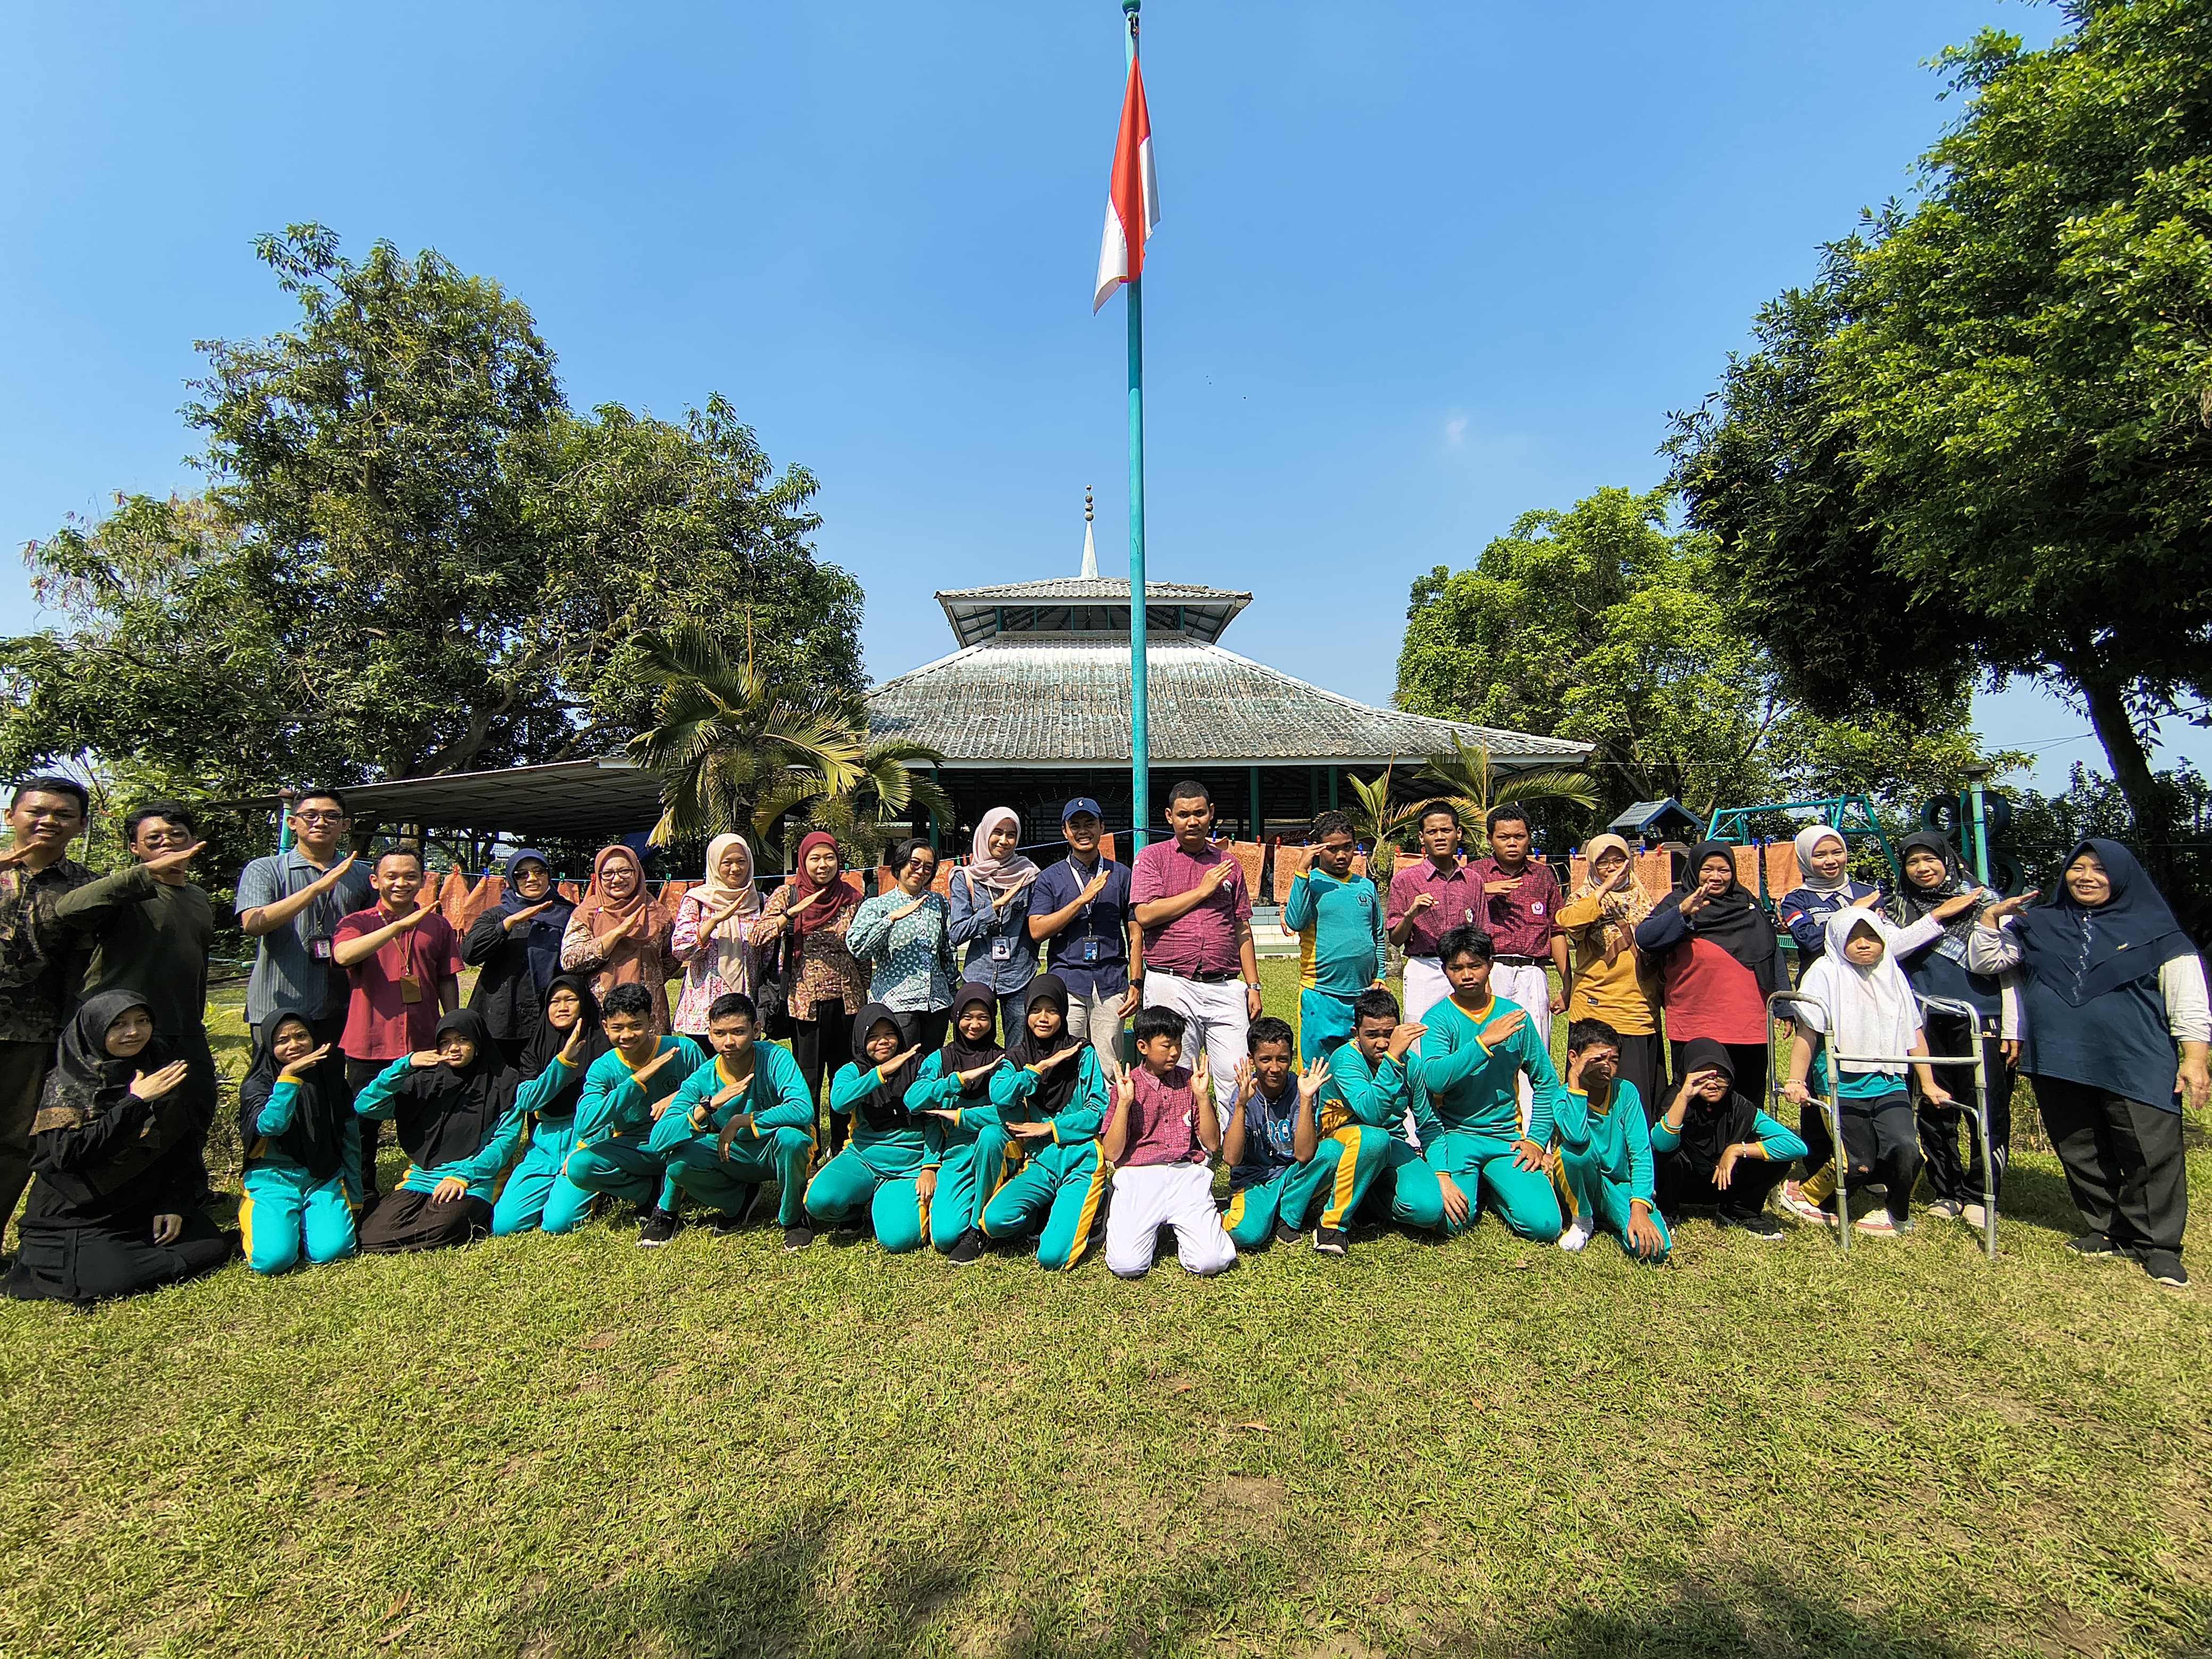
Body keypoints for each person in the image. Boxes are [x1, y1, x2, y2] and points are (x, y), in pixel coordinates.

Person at [1966, 840, 2209, 1288]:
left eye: (2099, 870)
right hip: (2059, 1057)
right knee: (2079, 1146)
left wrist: (2195, 1058)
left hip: (2136, 1059)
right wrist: (1989, 920)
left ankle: (2159, 1246)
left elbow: (2189, 1001)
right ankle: (2106, 1227)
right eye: (2077, 868)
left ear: (2121, 876)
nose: (2086, 877)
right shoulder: (2040, 924)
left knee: (2150, 1152)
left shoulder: (2159, 932)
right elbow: (1986, 962)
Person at [3, 990, 228, 1304]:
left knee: (212, 1244)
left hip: (138, 1206)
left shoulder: (160, 1070)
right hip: (78, 1214)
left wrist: (172, 1204)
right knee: (109, 1279)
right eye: (119, 1025)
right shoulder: (69, 1084)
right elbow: (69, 1156)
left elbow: (181, 1150)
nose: (133, 1032)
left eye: (142, 1021)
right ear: (95, 1029)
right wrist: (135, 1103)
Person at [1783, 911, 1946, 1236]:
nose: (1864, 945)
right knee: (1857, 1162)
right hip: (1841, 1082)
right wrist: (1796, 1081)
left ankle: (1897, 1215)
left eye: (1871, 937)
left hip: (1888, 1080)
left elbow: (1913, 1031)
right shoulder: (1825, 972)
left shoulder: (1892, 974)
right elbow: (1808, 1033)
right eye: (1854, 938)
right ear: (1839, 941)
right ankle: (1806, 1194)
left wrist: (1929, 1083)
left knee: (1908, 1151)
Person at [1884, 832, 2016, 1225]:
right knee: (1933, 1103)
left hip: (1983, 1020)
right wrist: (1937, 917)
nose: (1923, 869)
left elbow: (2011, 971)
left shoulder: (1990, 903)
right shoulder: (1898, 907)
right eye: (1913, 862)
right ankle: (1947, 1190)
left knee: (1987, 1106)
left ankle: (1981, 1192)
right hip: (1924, 1023)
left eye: (1930, 860)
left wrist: (2015, 1027)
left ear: (1948, 860)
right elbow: (1891, 949)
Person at [50, 800, 218, 1102]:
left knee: (190, 1119)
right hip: (124, 1032)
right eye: (153, 838)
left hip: (184, 1030)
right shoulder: (126, 892)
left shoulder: (199, 898)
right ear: (134, 848)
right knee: (125, 1129)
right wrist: (148, 872)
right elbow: (68, 908)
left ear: (194, 841)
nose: (167, 841)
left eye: (177, 834)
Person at [1406, 926, 1564, 1242]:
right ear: (1445, 970)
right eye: (1456, 968)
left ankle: (1497, 1187)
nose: (1467, 975)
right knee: (1452, 1224)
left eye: (1475, 965)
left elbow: (1547, 1083)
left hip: (1507, 1137)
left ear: (1490, 965)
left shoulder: (1515, 1017)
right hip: (1457, 1134)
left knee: (1545, 1226)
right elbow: (1435, 1079)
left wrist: (1536, 1140)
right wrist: (1483, 1042)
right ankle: (1480, 1183)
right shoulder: (1439, 1019)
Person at [334, 847, 462, 1203]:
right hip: (369, 1040)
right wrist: (398, 926)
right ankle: (362, 1192)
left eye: (410, 876)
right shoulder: (357, 922)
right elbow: (343, 955)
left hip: (422, 1040)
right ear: (376, 880)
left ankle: (423, 1187)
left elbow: (447, 978)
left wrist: (451, 1026)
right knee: (362, 1123)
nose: (401, 883)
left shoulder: (437, 925)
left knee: (429, 1117)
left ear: (422, 881)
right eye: (392, 876)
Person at [349, 1009, 534, 1254]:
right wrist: (405, 1065)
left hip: (474, 1180)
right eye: (445, 1042)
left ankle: (464, 1214)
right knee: (368, 1234)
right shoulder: (426, 1081)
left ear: (478, 1043)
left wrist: (463, 1176)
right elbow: (365, 1105)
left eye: (463, 1040)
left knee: (446, 1226)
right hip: (423, 1178)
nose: (453, 1048)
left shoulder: (505, 1083)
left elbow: (504, 1145)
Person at [0, 774, 96, 1243]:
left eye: (63, 815)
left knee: (14, 1142)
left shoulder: (85, 888)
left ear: (79, 826)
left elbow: (85, 966)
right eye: (37, 811)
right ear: (10, 815)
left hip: (33, 1034)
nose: (48, 821)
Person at [650, 992, 817, 1249]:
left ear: (757, 1030)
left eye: (738, 1032)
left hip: (772, 1149)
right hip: (732, 1153)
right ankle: (738, 1200)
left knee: (793, 1138)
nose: (729, 1042)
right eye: (720, 1033)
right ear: (710, 1034)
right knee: (678, 1164)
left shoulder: (775, 1058)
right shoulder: (703, 1077)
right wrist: (706, 1107)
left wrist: (744, 1120)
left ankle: (793, 1217)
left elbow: (803, 1109)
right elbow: (659, 1139)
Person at [542, 982, 706, 1245]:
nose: (627, 1035)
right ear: (606, 1027)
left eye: (636, 1026)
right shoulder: (603, 1068)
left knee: (689, 1150)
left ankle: (673, 1198)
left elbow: (713, 1091)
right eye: (617, 1028)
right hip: (635, 1147)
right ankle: (647, 1193)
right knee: (579, 1166)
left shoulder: (684, 1050)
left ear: (651, 1021)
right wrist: (636, 1082)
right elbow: (585, 1124)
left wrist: (677, 1098)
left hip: (681, 1142)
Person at [1633, 840, 1787, 1107]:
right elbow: (1646, 938)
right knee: (1696, 1097)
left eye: (1724, 870)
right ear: (1695, 870)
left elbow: (1772, 953)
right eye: (1708, 869)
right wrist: (1682, 913)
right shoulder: (1678, 902)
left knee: (1747, 1100)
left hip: (1747, 1023)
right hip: (1695, 1020)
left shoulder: (1749, 906)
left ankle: (1742, 1147)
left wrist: (1784, 1006)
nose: (1716, 877)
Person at [1132, 781, 1259, 1097]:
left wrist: (1253, 985)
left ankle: (1235, 1146)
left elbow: (1242, 927)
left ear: (1211, 814)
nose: (1193, 821)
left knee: (1236, 1075)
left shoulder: (1229, 865)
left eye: (1200, 813)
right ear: (1169, 817)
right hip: (1171, 983)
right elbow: (1145, 915)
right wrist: (1202, 891)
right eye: (1184, 814)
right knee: (1176, 1076)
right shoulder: (1152, 858)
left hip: (1225, 986)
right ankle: (1184, 1146)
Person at [979, 975, 1112, 1270]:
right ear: (1025, 1014)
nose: (1043, 1018)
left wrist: (1051, 1128)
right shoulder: (1016, 1057)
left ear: (1063, 1014)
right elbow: (999, 1094)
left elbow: (1098, 1110)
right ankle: (1047, 1210)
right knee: (994, 1221)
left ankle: (1099, 1200)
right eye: (1035, 1010)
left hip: (1081, 1160)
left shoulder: (1081, 1052)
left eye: (1052, 1010)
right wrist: (1039, 1069)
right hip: (1040, 1162)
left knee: (1053, 1257)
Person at [1101, 1004, 1237, 1279]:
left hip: (1185, 1173)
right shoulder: (1127, 1086)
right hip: (1139, 1175)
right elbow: (1112, 1152)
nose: (1175, 1053)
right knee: (1126, 1265)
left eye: (1178, 1045)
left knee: (1211, 1261)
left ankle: (1178, 1227)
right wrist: (1125, 1104)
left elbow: (1212, 1145)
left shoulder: (1191, 1081)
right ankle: (1157, 1225)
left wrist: (1201, 1096)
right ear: (1143, 1046)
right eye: (1166, 1046)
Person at [754, 831, 867, 1153]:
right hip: (805, 1001)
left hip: (848, 1000)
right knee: (809, 1077)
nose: (823, 865)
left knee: (844, 1074)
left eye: (829, 858)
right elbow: (757, 935)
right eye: (814, 858)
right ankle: (809, 1145)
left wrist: (867, 990)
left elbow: (860, 951)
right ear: (803, 861)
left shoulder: (851, 898)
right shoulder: (787, 894)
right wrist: (790, 914)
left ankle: (843, 1144)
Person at [236, 788, 371, 1052]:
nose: (320, 822)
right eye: (310, 815)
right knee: (278, 1086)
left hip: (340, 1004)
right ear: (292, 822)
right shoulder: (265, 869)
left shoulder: (361, 875)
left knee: (329, 1085)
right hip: (278, 1006)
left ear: (345, 826)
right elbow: (253, 924)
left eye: (331, 817)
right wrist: (316, 889)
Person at [805, 1003, 938, 1253]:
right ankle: (854, 1208)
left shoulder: (919, 1065)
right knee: (819, 1201)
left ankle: (883, 1199)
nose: (883, 1042)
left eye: (889, 1034)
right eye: (873, 1037)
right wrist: (880, 1074)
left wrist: (929, 1167)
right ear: (860, 1039)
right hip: (863, 1158)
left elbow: (933, 1118)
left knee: (900, 1239)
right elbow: (839, 1102)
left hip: (907, 1167)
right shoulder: (853, 1070)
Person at [236, 1013, 359, 1275]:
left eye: (301, 1036)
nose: (294, 1045)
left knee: (334, 1251)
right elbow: (271, 1126)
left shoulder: (330, 1077)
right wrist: (289, 1078)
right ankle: (274, 1220)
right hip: (272, 1178)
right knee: (272, 1260)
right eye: (282, 1041)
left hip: (321, 1177)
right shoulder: (257, 1084)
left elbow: (350, 1137)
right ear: (269, 1045)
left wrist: (356, 1196)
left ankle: (305, 1222)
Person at [488, 974, 609, 1237]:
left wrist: (585, 1149)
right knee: (504, 1225)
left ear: (584, 1004)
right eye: (554, 1001)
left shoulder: (603, 1046)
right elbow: (528, 1100)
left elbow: (607, 1108)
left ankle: (598, 1187)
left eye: (570, 1000)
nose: (562, 1007)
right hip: (545, 1141)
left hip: (585, 1138)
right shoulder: (536, 1048)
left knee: (558, 1223)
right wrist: (563, 1063)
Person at [1555, 833, 1665, 1117]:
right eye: (1604, 863)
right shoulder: (1583, 897)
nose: (1613, 868)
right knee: (1595, 1087)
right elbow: (1567, 921)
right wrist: (1603, 889)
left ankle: (1637, 1153)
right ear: (1592, 866)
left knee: (1637, 1091)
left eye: (1619, 861)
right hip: (1598, 1005)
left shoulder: (1644, 897)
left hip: (1640, 1007)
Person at [1026, 797, 1141, 1069]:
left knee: (1109, 1064)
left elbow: (1136, 934)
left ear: (1102, 827)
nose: (1083, 831)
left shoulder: (1122, 875)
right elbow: (1037, 930)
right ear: (1065, 832)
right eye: (1075, 825)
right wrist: (1081, 900)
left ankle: (1110, 1112)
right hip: (1067, 982)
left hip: (1111, 982)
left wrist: (1136, 983)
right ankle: (1070, 1113)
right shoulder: (1050, 877)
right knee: (1066, 1062)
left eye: (1090, 823)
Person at [1653, 1039, 1807, 1239]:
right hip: (1681, 1186)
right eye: (1702, 1078)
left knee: (1776, 1157)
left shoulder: (1738, 1105)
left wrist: (1736, 1150)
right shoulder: (1675, 1099)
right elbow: (1661, 1145)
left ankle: (1739, 1211)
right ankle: (1666, 1212)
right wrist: (1684, 1097)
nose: (1712, 1085)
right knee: (1670, 1155)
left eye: (1721, 1077)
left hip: (1724, 1183)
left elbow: (1796, 1146)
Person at [905, 979, 1010, 1262]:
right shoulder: (941, 1058)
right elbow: (913, 1101)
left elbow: (1007, 1115)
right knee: (945, 1236)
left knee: (989, 1136)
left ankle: (980, 1228)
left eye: (983, 1018)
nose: (974, 1025)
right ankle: (979, 1207)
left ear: (993, 1019)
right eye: (967, 1017)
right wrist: (957, 1081)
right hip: (956, 1151)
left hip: (996, 1147)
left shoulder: (1003, 1059)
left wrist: (963, 1116)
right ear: (955, 1018)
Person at [1552, 1018, 1668, 1261]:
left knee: (1654, 1250)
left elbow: (1641, 1153)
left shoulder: (1626, 1092)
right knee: (1574, 1153)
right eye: (1597, 1060)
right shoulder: (1563, 1096)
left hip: (1620, 1186)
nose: (1606, 1067)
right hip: (1585, 1181)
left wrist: (1639, 1208)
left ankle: (1613, 1222)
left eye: (1613, 1060)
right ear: (1575, 1057)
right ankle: (1583, 1220)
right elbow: (1576, 1136)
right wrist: (1574, 1080)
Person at [1282, 810, 1387, 1063]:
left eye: (1348, 847)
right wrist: (1302, 870)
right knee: (1317, 1068)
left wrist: (1380, 976)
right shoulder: (1311, 882)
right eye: (1333, 849)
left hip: (1362, 995)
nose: (1341, 855)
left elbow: (1379, 936)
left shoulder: (1365, 886)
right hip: (1321, 994)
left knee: (1363, 1066)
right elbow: (1295, 922)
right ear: (1318, 849)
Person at [1470, 805, 1570, 1067]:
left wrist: (1568, 984)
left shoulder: (1543, 876)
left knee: (1535, 1049)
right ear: (1490, 839)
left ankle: (1535, 1108)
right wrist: (1482, 891)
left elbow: (1557, 930)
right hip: (1492, 970)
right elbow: (1459, 920)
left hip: (1533, 972)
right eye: (1504, 837)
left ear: (1529, 838)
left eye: (1520, 836)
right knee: (1490, 1046)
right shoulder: (1474, 874)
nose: (1512, 843)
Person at [1219, 1016, 1327, 1252]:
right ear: (1252, 1060)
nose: (1275, 1069)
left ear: (1291, 1058)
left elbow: (1304, 1155)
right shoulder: (1244, 1094)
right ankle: (1224, 1211)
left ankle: (1286, 1217)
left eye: (1283, 1060)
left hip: (1291, 1174)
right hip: (1255, 1181)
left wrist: (1307, 1099)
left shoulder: (1301, 1089)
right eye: (1265, 1060)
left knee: (1332, 1152)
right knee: (1247, 1234)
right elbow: (1231, 1158)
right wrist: (1241, 1106)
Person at [463, 848, 574, 1066]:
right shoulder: (497, 915)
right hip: (502, 1018)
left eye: (539, 871)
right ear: (511, 880)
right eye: (521, 874)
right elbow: (471, 954)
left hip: (551, 1015)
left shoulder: (569, 914)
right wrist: (507, 925)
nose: (532, 878)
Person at [847, 837, 959, 1053]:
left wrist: (951, 994)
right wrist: (890, 920)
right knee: (902, 1069)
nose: (920, 871)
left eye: (928, 867)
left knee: (929, 1068)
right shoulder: (877, 905)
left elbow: (947, 951)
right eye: (914, 864)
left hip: (936, 1003)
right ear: (900, 864)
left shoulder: (939, 903)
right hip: (897, 1003)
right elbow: (857, 947)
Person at [947, 807, 1041, 1041]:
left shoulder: (1029, 875)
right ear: (984, 833)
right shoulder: (965, 877)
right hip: (978, 974)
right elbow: (957, 933)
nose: (1004, 840)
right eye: (997, 832)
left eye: (1011, 835)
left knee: (1018, 1050)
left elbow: (1037, 925)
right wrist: (994, 909)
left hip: (1019, 974)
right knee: (973, 1046)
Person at [562, 844, 675, 1034]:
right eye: (608, 874)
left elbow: (670, 960)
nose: (617, 879)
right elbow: (570, 960)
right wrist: (615, 935)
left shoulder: (657, 913)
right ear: (598, 876)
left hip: (649, 1014)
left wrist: (647, 977)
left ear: (637, 872)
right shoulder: (587, 913)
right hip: (603, 1017)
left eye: (625, 871)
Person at [1387, 804, 1483, 1028]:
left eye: (1446, 830)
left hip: (1464, 968)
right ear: (1422, 838)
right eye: (1432, 832)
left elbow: (1482, 933)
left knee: (1467, 1032)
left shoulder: (1474, 881)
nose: (1440, 837)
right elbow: (1395, 939)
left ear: (1458, 834)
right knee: (1420, 1036)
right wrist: (1411, 915)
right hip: (1424, 967)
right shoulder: (1405, 880)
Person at [669, 834, 764, 1038]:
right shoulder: (698, 900)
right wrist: (714, 921)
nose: (736, 869)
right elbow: (681, 950)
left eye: (741, 861)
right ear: (714, 864)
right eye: (727, 863)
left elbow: (769, 957)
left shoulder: (759, 902)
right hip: (705, 1010)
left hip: (744, 1006)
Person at [1775, 824, 1880, 969]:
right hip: (1823, 983)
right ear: (1804, 858)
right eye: (1820, 855)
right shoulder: (1796, 900)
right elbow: (1810, 942)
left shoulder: (1868, 893)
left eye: (1837, 852)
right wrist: (1851, 912)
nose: (1831, 861)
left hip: (1872, 980)